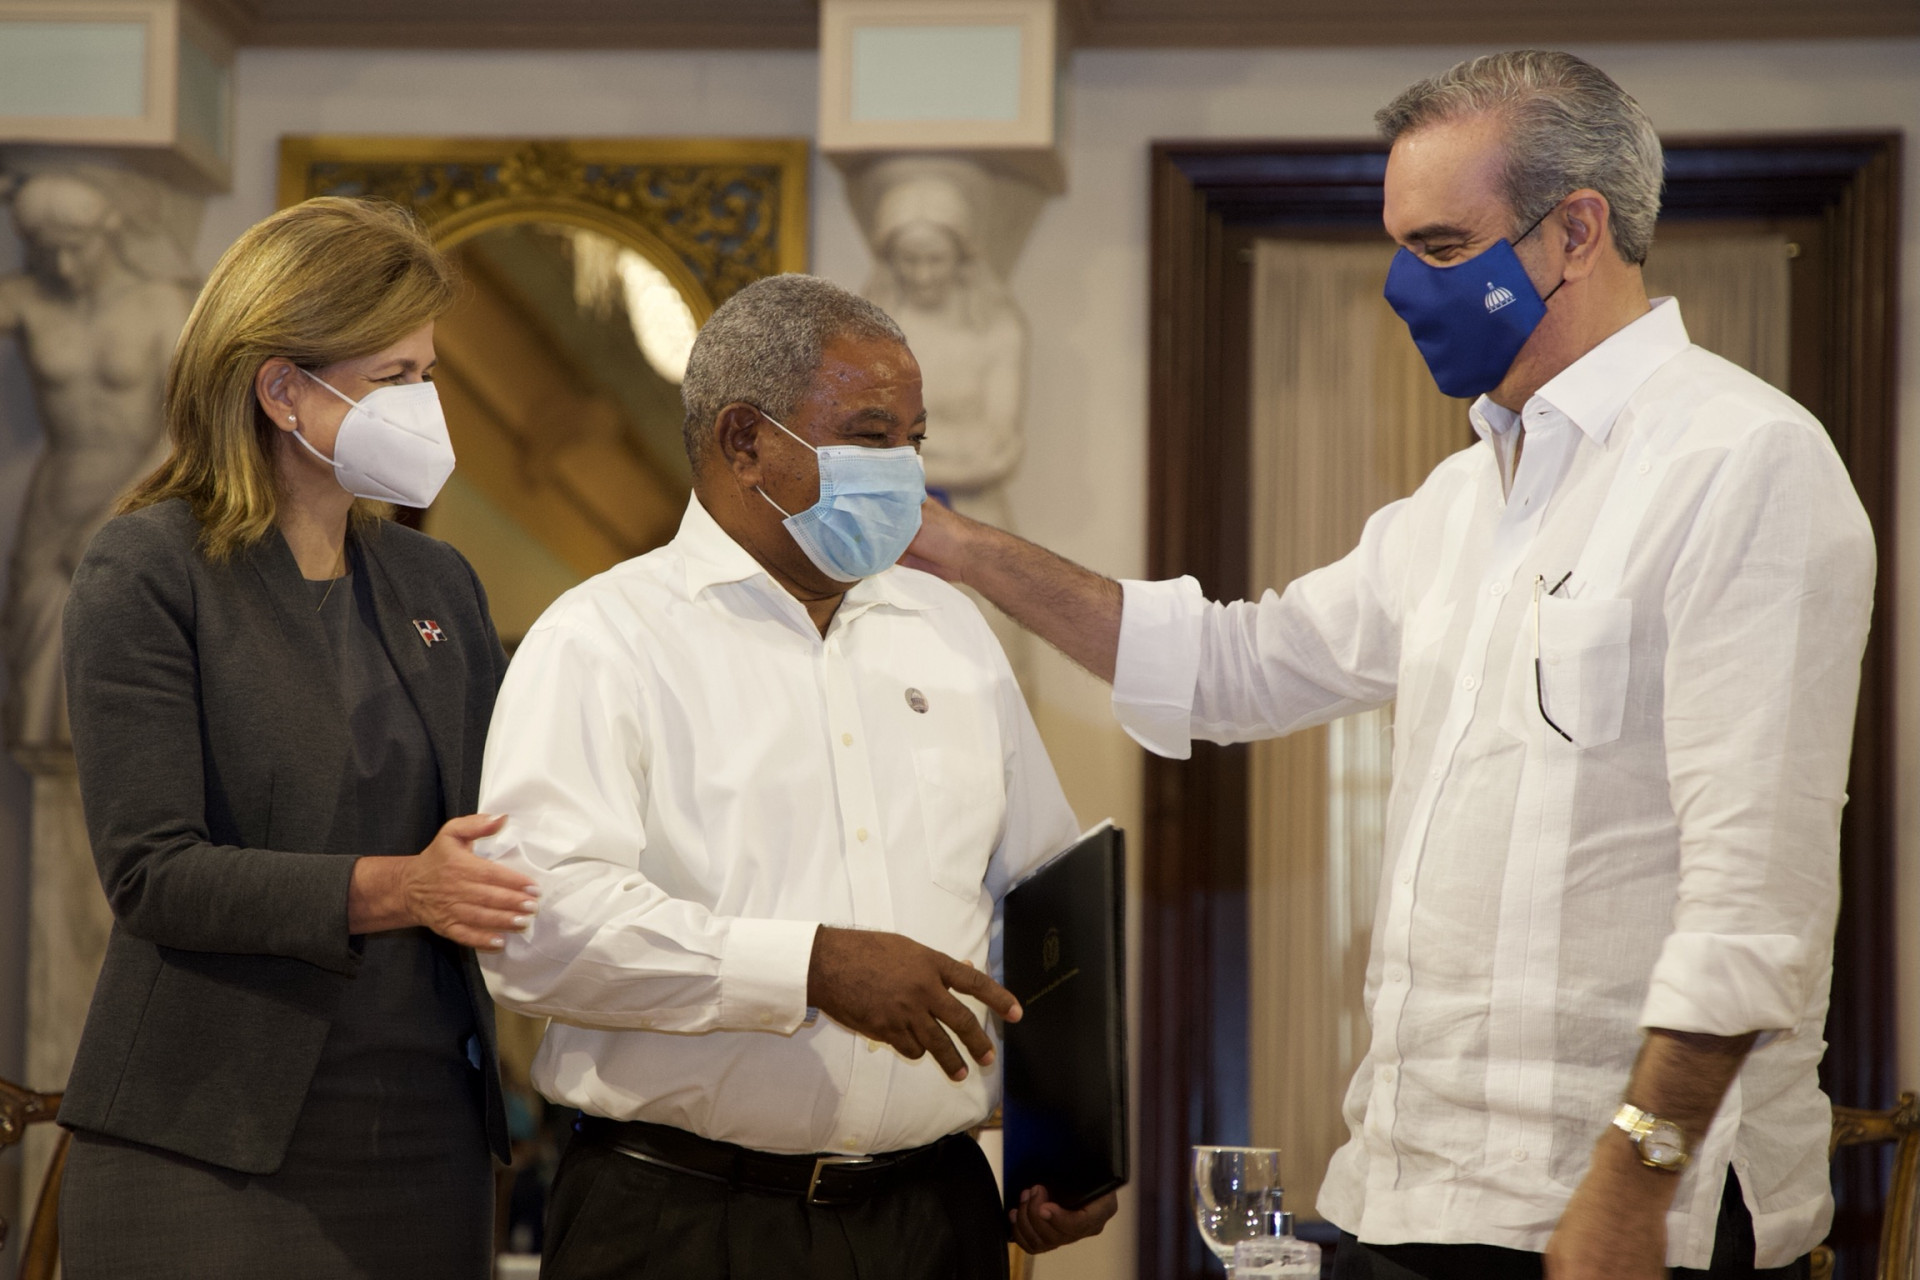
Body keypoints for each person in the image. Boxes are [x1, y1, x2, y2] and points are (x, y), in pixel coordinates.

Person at [907, 50, 1873, 1280]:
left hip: (1621, 1213)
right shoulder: (1461, 500)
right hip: (1414, 1188)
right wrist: (959, 547)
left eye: (1443, 247)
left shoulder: (1744, 463)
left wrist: (1638, 1175)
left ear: (1576, 232)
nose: (1404, 287)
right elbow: (1228, 666)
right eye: (1398, 246)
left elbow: (1756, 896)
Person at [475, 273, 1118, 1279]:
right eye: (870, 436)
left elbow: (1043, 907)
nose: (904, 471)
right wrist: (809, 966)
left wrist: (1068, 1137)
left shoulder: (949, 631)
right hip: (686, 1221)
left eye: (914, 439)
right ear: (745, 442)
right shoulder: (601, 640)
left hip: (934, 1216)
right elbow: (537, 932)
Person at [56, 197, 543, 1279]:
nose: (426, 404)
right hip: (207, 1141)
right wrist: (402, 888)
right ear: (282, 389)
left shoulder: (437, 581)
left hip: (425, 1133)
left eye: (429, 373)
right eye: (395, 376)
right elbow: (153, 874)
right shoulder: (149, 569)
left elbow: (508, 816)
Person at [0, 169, 195, 756]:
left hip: (140, 497)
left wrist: (116, 515)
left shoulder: (161, 304)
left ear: (109, 230)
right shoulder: (25, 298)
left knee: (117, 658)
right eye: (46, 252)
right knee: (34, 670)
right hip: (55, 498)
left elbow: (183, 427)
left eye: (75, 248)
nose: (62, 267)